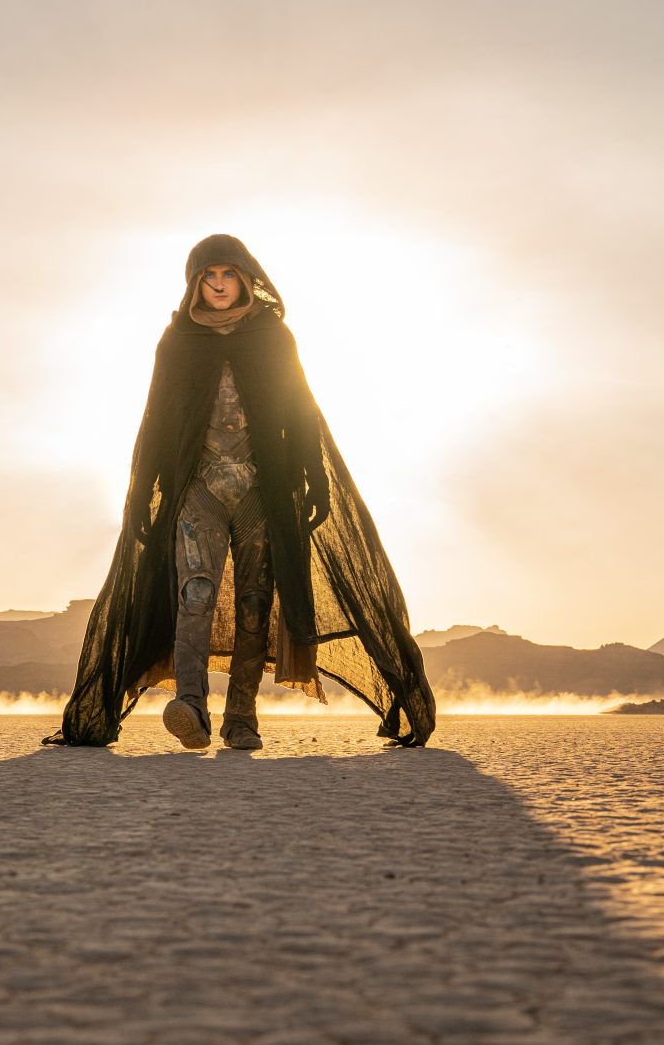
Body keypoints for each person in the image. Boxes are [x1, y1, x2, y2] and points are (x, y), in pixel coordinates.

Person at [42, 234, 436, 750]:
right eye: (209, 276)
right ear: (195, 284)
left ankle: (241, 717)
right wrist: (142, 492)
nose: (220, 285)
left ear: (247, 279)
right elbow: (156, 420)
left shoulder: (273, 338)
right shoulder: (177, 342)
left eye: (228, 275)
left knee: (254, 603)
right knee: (195, 594)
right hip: (197, 486)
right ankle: (190, 706)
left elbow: (300, 411)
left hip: (263, 488)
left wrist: (313, 479)